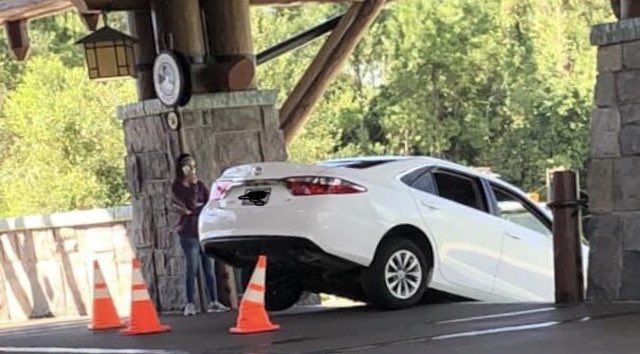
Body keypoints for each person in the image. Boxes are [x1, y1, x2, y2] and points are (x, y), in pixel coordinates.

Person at [171, 153, 228, 316]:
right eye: (188, 167)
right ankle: (190, 303)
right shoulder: (177, 187)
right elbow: (188, 205)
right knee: (192, 268)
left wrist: (195, 205)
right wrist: (193, 192)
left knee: (209, 267)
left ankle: (214, 301)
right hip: (188, 232)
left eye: (194, 166)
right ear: (182, 169)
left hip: (203, 230)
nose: (192, 170)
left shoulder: (200, 184)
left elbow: (209, 203)